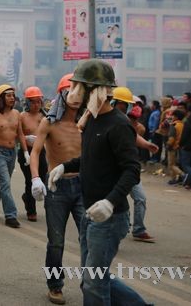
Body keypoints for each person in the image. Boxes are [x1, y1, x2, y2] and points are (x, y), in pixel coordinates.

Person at [49, 60, 146, 305]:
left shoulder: (119, 125)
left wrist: (110, 202)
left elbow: (132, 170)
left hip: (110, 218)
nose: (75, 94)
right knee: (92, 279)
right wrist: (65, 167)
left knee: (93, 282)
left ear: (95, 91)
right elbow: (91, 158)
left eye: (80, 88)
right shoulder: (92, 119)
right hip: (90, 213)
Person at [30, 73, 85, 305]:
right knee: (56, 241)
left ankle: (92, 284)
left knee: (89, 239)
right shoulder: (49, 122)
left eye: (80, 92)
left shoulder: (87, 123)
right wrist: (35, 179)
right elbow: (35, 152)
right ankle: (55, 285)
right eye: (70, 92)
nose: (75, 97)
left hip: (83, 186)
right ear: (62, 95)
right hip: (56, 186)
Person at [110, 88, 157, 243]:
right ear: (114, 102)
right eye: (123, 104)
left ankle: (138, 229)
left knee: (140, 198)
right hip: (112, 170)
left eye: (127, 104)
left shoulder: (125, 122)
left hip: (129, 169)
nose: (125, 107)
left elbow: (133, 136)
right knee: (113, 203)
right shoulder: (104, 120)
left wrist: (147, 145)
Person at [0, 84, 28, 228]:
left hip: (12, 152)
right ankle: (10, 215)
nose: (12, 98)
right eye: (8, 96)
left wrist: (26, 152)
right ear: (1, 98)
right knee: (6, 183)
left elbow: (20, 133)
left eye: (13, 95)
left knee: (3, 182)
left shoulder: (17, 114)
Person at [19, 86, 47, 222]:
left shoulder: (45, 117)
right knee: (30, 180)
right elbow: (17, 135)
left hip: (41, 151)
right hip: (26, 152)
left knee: (42, 178)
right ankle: (31, 210)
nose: (36, 105)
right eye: (33, 102)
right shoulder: (22, 117)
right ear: (27, 103)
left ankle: (27, 197)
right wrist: (26, 140)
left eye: (38, 102)